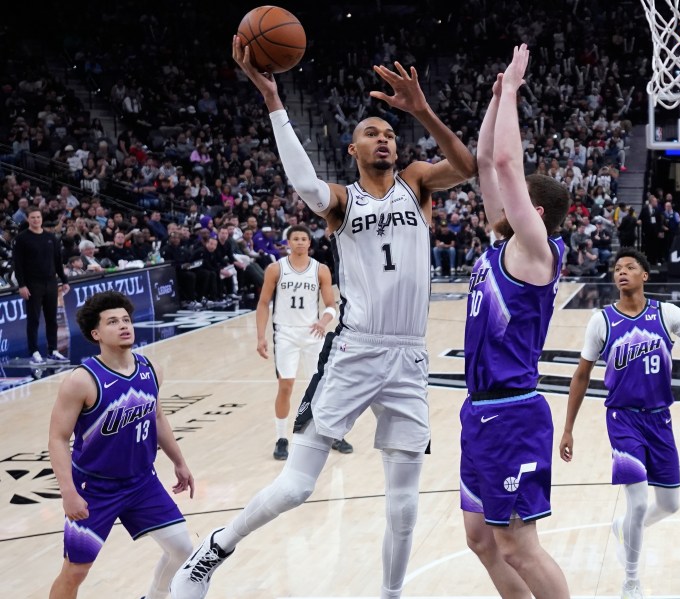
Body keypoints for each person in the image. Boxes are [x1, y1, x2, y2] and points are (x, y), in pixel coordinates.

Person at [170, 36, 476, 599]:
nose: (383, 139)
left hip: (409, 356)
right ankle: (214, 549)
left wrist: (422, 111)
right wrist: (273, 99)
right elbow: (305, 184)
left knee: (404, 505)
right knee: (295, 488)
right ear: (353, 149)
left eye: (389, 134)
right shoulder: (341, 201)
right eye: (372, 133)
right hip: (356, 348)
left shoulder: (417, 183)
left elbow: (468, 166)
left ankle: (390, 595)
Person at [461, 45, 571, 599]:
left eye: (518, 197)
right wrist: (494, 99)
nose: (504, 196)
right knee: (481, 539)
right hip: (479, 410)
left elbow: (506, 163)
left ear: (537, 212)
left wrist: (513, 92)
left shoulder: (535, 250)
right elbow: (485, 163)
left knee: (518, 547)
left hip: (513, 413)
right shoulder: (500, 242)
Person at [559, 248, 680, 599]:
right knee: (636, 502)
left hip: (660, 419)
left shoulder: (666, 313)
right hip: (622, 419)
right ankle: (631, 581)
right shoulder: (602, 320)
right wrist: (568, 428)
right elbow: (581, 376)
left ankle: (625, 528)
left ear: (644, 275)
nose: (622, 272)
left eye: (630, 267)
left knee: (669, 504)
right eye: (617, 268)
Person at [47, 291, 194, 599]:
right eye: (113, 322)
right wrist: (68, 493)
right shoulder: (82, 380)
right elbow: (58, 438)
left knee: (182, 548)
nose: (124, 326)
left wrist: (179, 461)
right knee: (75, 572)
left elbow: (157, 416)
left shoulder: (151, 369)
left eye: (126, 319)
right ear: (96, 334)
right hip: (94, 488)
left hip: (142, 482)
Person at [255, 224, 338, 460]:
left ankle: (330, 434)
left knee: (320, 387)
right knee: (286, 386)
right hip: (285, 334)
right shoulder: (275, 269)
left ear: (309, 243)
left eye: (304, 238)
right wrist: (260, 337)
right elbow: (263, 303)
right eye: (296, 238)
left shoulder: (320, 269)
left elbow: (331, 305)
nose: (300, 242)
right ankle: (281, 438)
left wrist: (323, 321)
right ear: (288, 243)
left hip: (313, 334)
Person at [12, 206, 70, 364]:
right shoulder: (22, 239)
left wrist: (64, 280)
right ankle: (34, 352)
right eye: (33, 217)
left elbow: (57, 261)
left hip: (51, 283)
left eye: (38, 217)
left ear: (42, 218)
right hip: (32, 284)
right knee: (34, 320)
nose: (36, 220)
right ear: (27, 219)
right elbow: (18, 264)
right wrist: (22, 285)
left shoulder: (51, 237)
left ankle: (53, 350)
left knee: (52, 319)